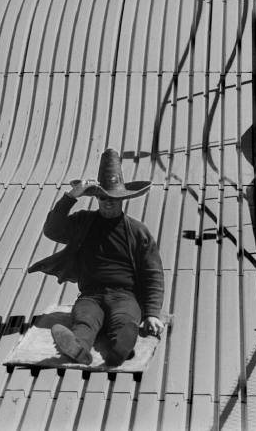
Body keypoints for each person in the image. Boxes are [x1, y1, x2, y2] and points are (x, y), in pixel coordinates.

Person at [28, 148, 165, 366]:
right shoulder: (83, 222)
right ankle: (78, 348)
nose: (108, 202)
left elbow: (153, 274)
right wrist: (70, 196)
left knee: (124, 321)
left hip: (125, 295)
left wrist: (152, 313)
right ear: (96, 199)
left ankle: (121, 349)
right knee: (84, 320)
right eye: (102, 198)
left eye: (113, 198)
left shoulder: (138, 232)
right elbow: (52, 230)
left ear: (123, 200)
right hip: (91, 294)